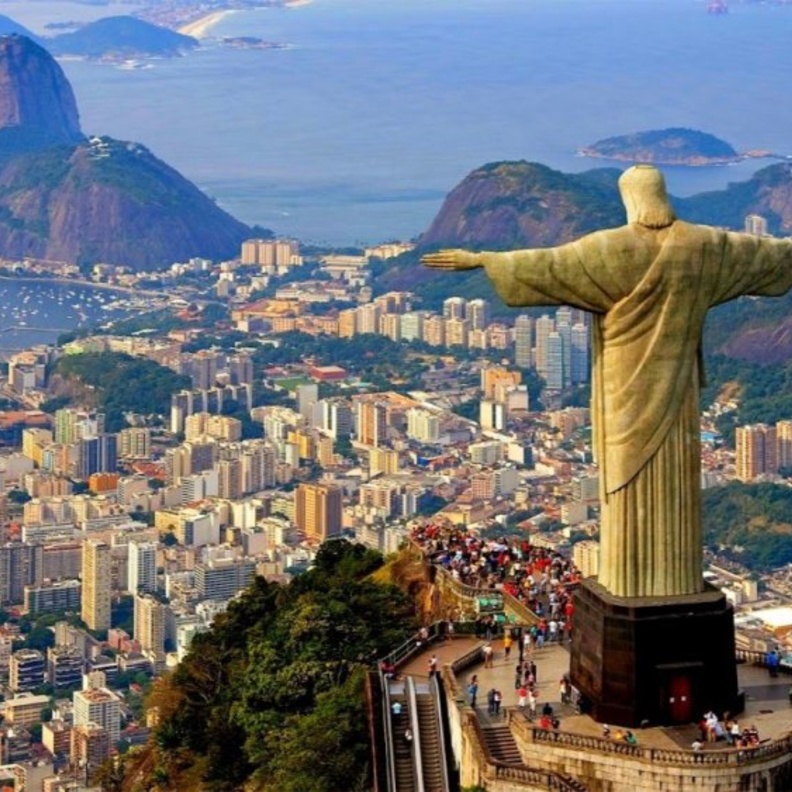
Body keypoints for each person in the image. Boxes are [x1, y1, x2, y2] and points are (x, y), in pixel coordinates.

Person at [423, 164, 792, 599]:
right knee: (675, 479)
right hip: (679, 389)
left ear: (630, 199)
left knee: (624, 480)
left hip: (624, 388)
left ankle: (629, 579)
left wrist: (483, 259)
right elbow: (773, 256)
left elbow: (549, 264)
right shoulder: (706, 245)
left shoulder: (609, 249)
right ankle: (674, 580)